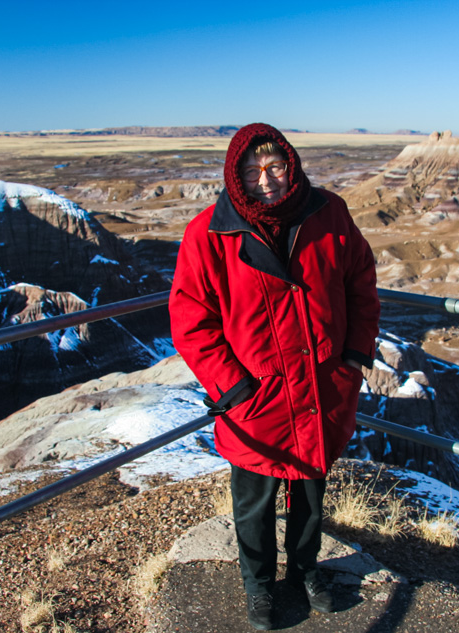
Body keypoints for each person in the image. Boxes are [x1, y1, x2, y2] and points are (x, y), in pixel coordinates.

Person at [169, 122, 380, 630]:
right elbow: (190, 320)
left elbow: (360, 282)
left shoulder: (328, 213)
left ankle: (305, 573)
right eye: (252, 171)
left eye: (275, 166)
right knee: (254, 504)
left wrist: (352, 355)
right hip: (257, 397)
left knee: (310, 493)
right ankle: (259, 588)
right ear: (235, 177)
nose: (266, 179)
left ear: (292, 165)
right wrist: (235, 389)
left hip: (318, 387)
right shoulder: (209, 234)